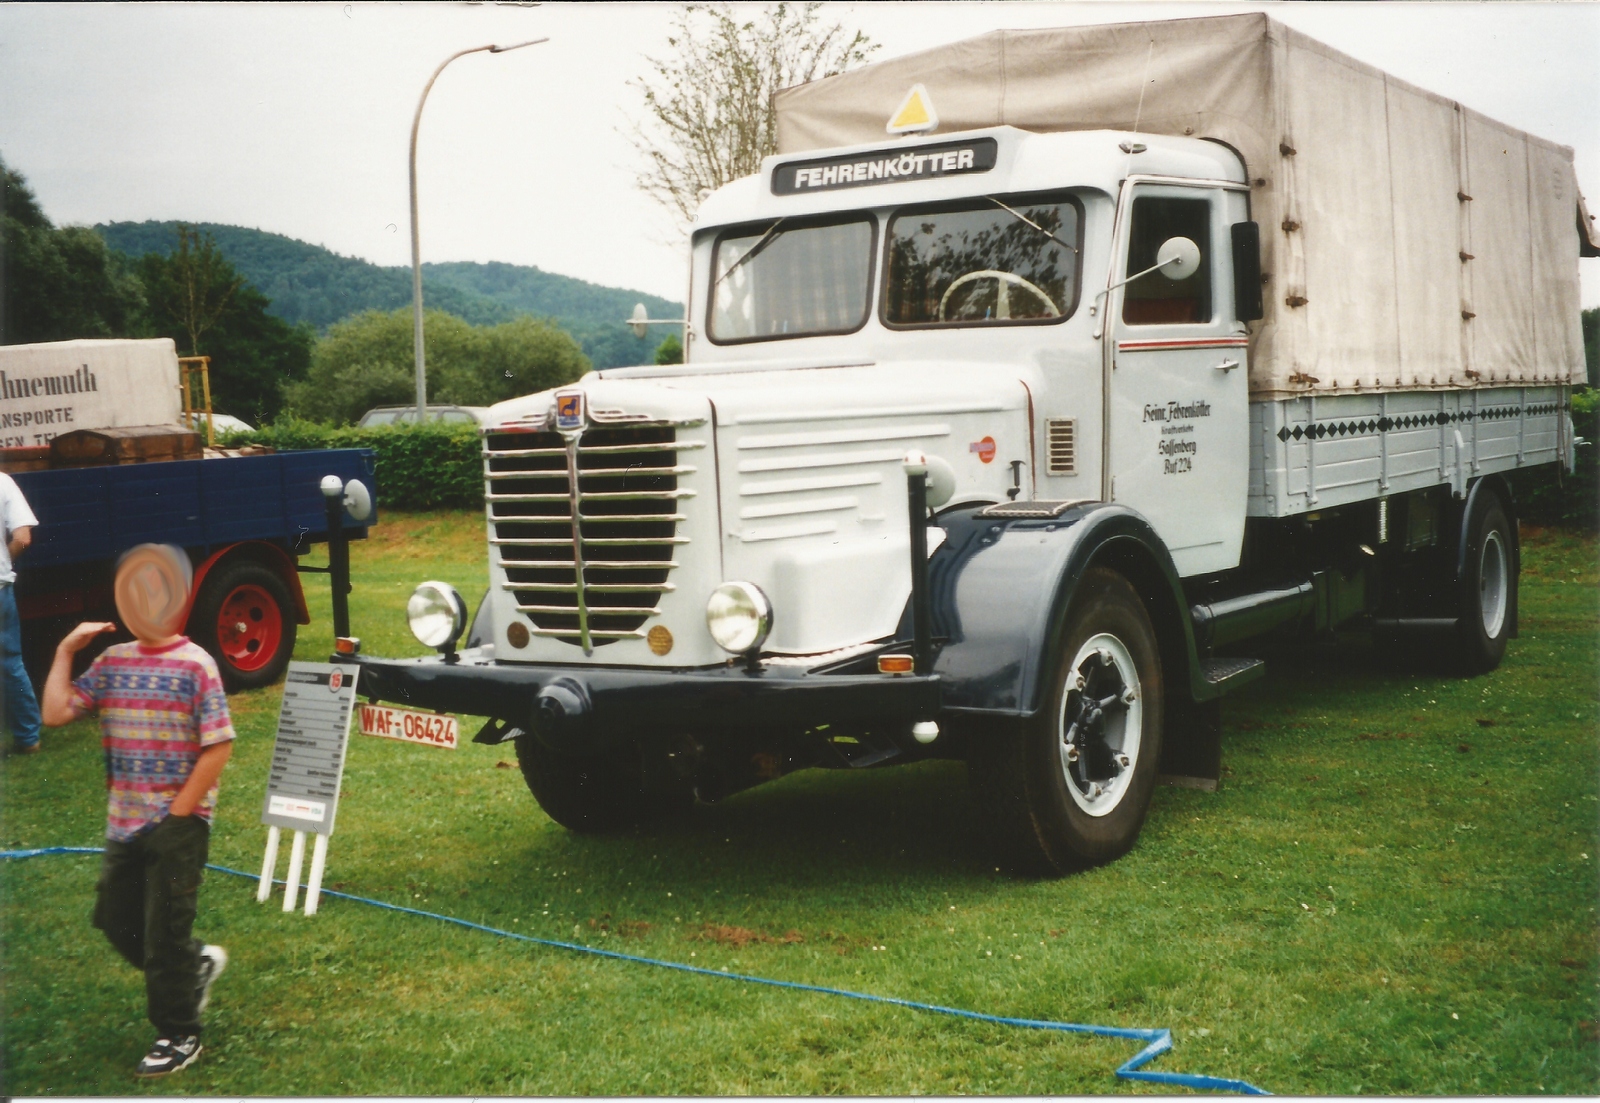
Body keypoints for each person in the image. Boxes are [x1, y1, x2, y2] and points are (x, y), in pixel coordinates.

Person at [40, 544, 234, 1078]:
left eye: (155, 591)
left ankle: (179, 1033)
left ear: (178, 599)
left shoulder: (198, 666)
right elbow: (55, 713)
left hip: (178, 824)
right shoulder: (112, 662)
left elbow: (219, 744)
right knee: (116, 920)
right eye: (133, 591)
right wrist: (64, 650)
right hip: (124, 822)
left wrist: (180, 812)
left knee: (162, 933)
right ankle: (193, 968)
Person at [1, 470, 41, 753]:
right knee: (10, 663)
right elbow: (24, 537)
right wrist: (5, 561)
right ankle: (28, 740)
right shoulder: (3, 481)